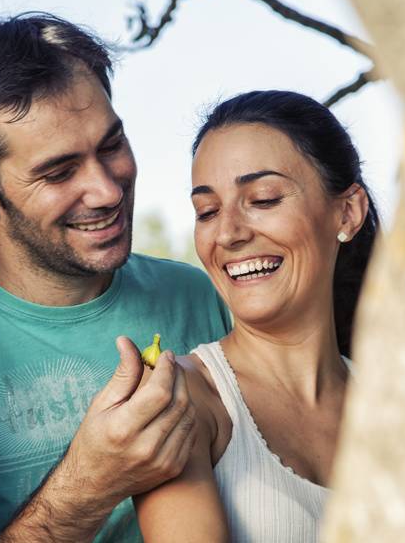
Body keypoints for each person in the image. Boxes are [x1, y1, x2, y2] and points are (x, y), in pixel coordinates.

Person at [0, 13, 232, 542]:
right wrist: (92, 482)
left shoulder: (196, 294)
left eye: (111, 146)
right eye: (59, 172)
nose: (107, 190)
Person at [134, 90, 379, 542]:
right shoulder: (183, 400)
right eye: (207, 211)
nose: (227, 232)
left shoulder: (399, 405)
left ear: (347, 212)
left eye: (263, 199)